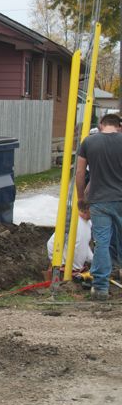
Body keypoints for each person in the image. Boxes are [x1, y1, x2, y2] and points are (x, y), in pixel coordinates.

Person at [76, 113, 122, 300]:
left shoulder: (89, 142)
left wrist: (81, 198)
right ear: (118, 126)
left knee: (102, 242)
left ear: (101, 125)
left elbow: (80, 172)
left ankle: (100, 287)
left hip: (99, 201)